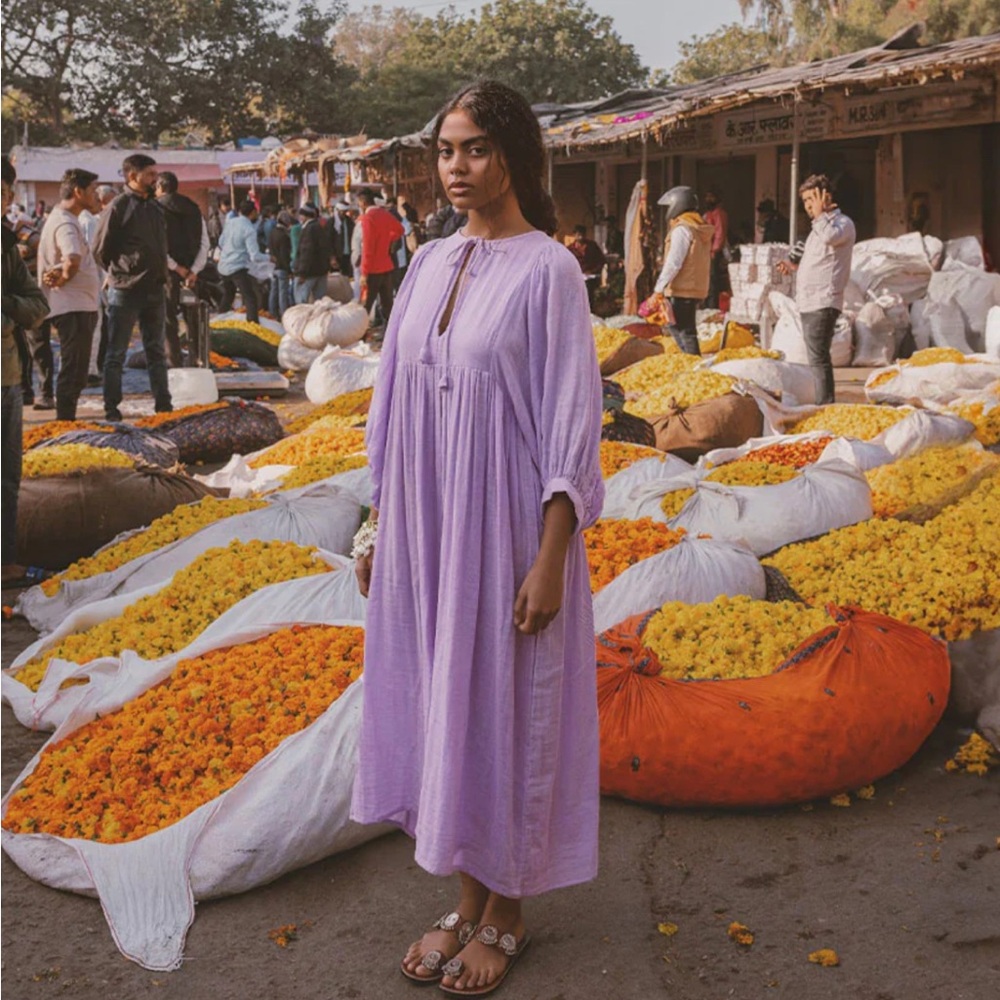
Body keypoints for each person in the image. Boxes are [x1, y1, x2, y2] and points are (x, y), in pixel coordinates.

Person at [351, 79, 603, 998]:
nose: (457, 168)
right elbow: (392, 414)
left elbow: (573, 421)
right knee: (444, 702)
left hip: (504, 529)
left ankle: (509, 913)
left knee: (506, 704)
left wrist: (550, 554)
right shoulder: (425, 263)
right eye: (447, 151)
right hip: (427, 525)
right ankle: (464, 900)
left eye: (476, 150)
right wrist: (380, 524)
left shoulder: (550, 270)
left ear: (515, 157)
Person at [92, 153, 173, 421]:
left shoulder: (154, 206)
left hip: (155, 289)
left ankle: (163, 406)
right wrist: (121, 272)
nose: (155, 179)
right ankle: (112, 408)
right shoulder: (118, 206)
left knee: (156, 352)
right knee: (116, 353)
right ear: (132, 176)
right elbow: (100, 249)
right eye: (150, 174)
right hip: (125, 290)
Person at [2, 156, 50, 585]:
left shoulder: (5, 244)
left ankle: (5, 561)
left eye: (1, 194)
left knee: (7, 476)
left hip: (7, 376)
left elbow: (37, 305)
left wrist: (7, 309)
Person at [777, 173, 856, 405]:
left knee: (819, 358)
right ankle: (822, 402)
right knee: (816, 357)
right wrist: (793, 266)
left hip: (823, 301)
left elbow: (832, 237)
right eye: (805, 201)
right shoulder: (817, 228)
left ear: (826, 197)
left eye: (812, 198)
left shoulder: (842, 224)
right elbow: (817, 260)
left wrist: (821, 215)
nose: (809, 206)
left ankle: (825, 405)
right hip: (810, 301)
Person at [36, 168, 102, 421]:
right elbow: (72, 258)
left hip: (77, 306)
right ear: (78, 192)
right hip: (72, 308)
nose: (96, 196)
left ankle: (67, 421)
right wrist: (63, 277)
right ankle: (65, 424)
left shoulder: (65, 218)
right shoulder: (65, 222)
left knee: (76, 369)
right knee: (74, 370)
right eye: (93, 190)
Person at [156, 171, 209, 367]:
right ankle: (197, 358)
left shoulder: (155, 209)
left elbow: (158, 245)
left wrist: (176, 268)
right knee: (193, 317)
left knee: (169, 319)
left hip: (169, 274)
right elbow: (205, 243)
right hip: (191, 277)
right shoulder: (194, 209)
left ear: (160, 187)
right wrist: (194, 271)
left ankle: (174, 360)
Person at [652, 186, 713, 355]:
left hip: (682, 289)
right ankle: (690, 363)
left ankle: (693, 367)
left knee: (684, 331)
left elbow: (674, 262)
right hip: (692, 287)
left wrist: (658, 288)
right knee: (678, 328)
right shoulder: (697, 228)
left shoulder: (682, 230)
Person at [356, 187, 403, 328]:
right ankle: (393, 335)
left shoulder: (368, 218)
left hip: (372, 269)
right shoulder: (384, 213)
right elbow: (400, 230)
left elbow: (368, 249)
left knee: (365, 305)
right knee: (388, 304)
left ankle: (361, 335)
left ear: (363, 202)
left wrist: (364, 273)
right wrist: (388, 240)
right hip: (387, 266)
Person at [217, 199, 264, 323]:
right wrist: (270, 258)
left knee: (228, 295)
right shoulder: (249, 229)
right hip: (237, 267)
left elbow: (221, 242)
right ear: (253, 212)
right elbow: (255, 255)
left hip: (223, 266)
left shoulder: (230, 223)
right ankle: (253, 326)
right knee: (250, 297)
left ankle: (217, 322)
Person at [292, 204, 330, 305]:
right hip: (321, 271)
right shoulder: (320, 227)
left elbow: (306, 252)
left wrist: (302, 273)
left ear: (305, 216)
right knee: (320, 303)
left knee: (301, 302)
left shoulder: (309, 229)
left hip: (309, 273)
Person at [567, 224, 606, 309]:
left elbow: (601, 260)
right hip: (576, 278)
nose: (580, 236)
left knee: (589, 298)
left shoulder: (592, 246)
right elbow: (566, 264)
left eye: (582, 234)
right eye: (578, 234)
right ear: (574, 235)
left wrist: (593, 271)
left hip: (591, 278)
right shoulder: (570, 249)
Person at [702, 190, 729, 308]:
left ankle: (712, 307)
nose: (708, 200)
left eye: (711, 198)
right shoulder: (709, 214)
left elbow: (719, 233)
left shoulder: (718, 214)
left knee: (713, 281)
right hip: (707, 252)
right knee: (708, 280)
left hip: (714, 252)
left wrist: (714, 250)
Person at [268, 210, 294, 318]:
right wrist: (289, 270)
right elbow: (284, 255)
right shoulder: (284, 236)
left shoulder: (272, 232)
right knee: (283, 293)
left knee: (273, 292)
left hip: (273, 267)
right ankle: (284, 315)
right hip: (282, 268)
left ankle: (272, 313)